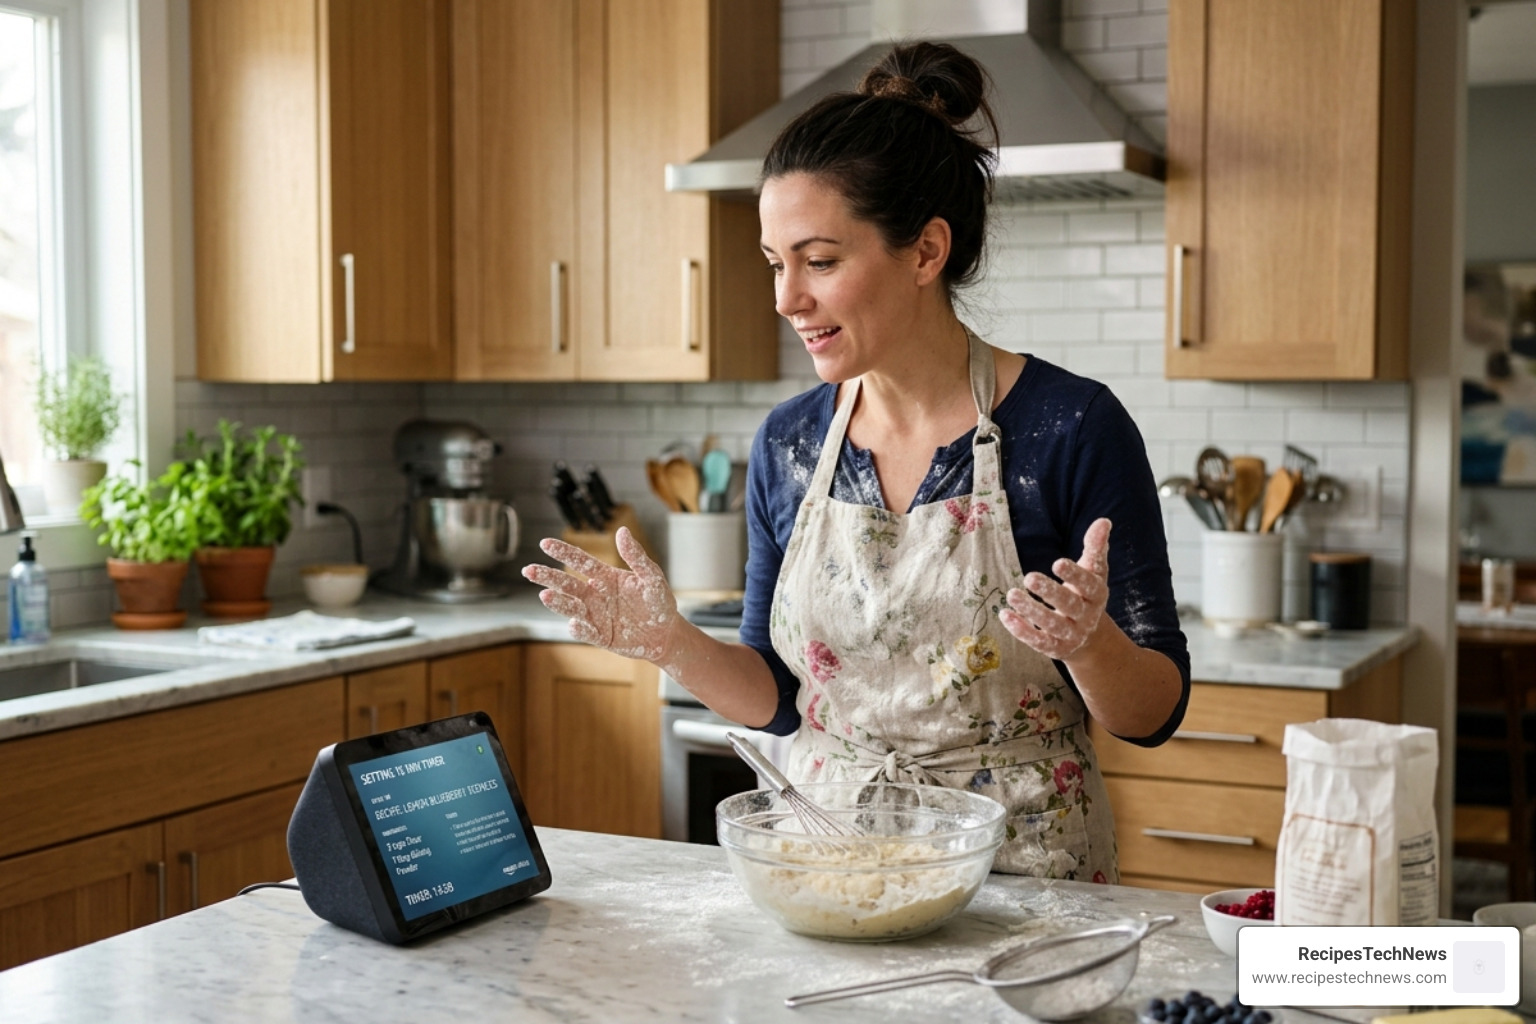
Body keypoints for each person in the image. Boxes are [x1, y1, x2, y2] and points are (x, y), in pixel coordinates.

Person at [523, 41, 1189, 881]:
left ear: (924, 252)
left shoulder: (1069, 427)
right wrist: (671, 643)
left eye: (821, 261)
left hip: (1021, 877)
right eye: (775, 263)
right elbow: (772, 694)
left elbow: (1153, 712)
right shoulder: (791, 443)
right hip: (829, 864)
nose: (785, 299)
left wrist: (1090, 644)